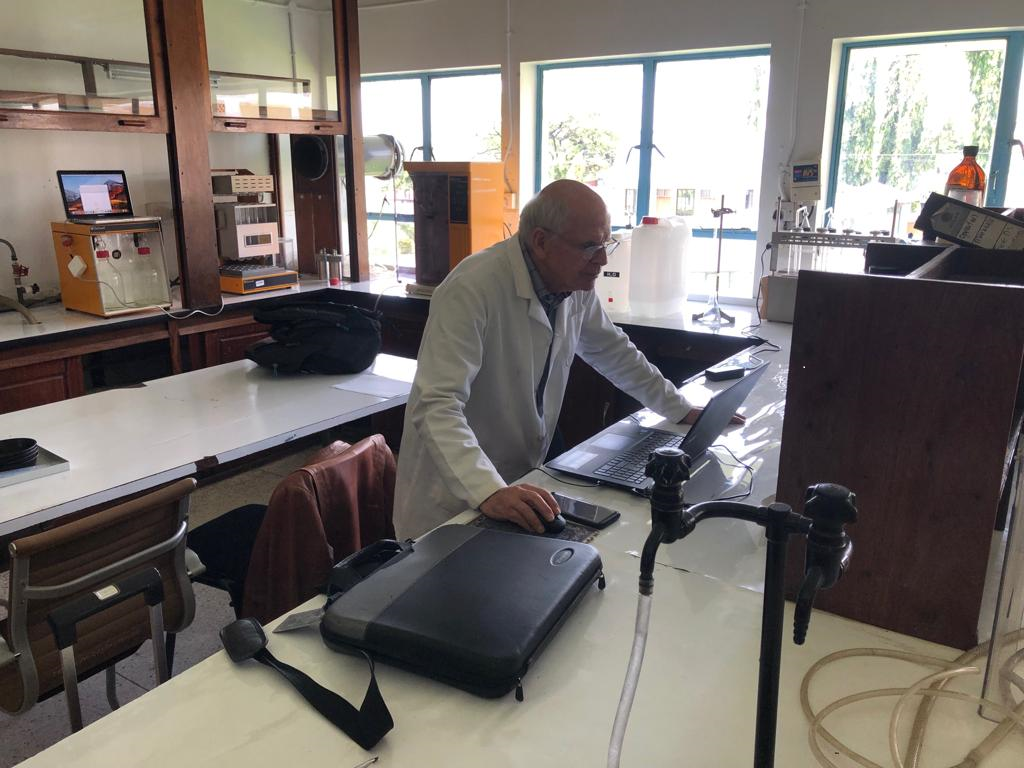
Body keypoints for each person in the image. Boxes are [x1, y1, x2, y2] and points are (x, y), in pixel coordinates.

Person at [393, 179, 736, 538]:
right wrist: (487, 489)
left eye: (606, 244)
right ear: (541, 241)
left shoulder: (571, 285)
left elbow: (613, 350)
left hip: (518, 488)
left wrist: (678, 407)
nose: (602, 260)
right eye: (590, 247)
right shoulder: (472, 287)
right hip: (453, 500)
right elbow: (436, 405)